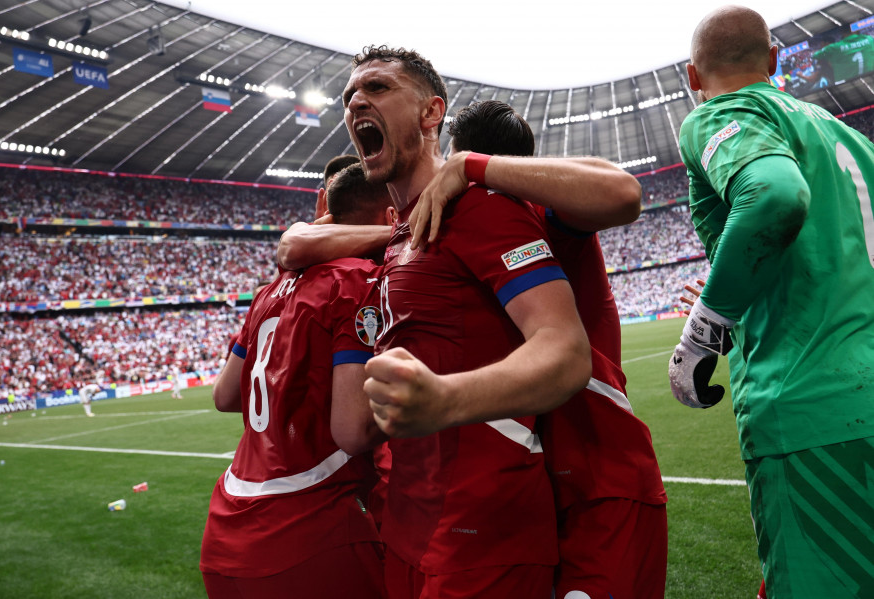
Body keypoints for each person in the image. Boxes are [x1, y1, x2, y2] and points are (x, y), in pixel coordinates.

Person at [343, 45, 591, 599]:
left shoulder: (481, 207)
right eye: (350, 95)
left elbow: (565, 349)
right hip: (407, 531)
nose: (357, 99)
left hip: (485, 541)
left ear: (432, 113)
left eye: (378, 88)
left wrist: (446, 399)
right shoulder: (401, 237)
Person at [414, 99, 667, 599]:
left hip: (599, 476)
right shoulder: (480, 224)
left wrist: (470, 166)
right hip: (534, 484)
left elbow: (622, 190)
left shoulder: (529, 211)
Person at [671, 6, 874, 597]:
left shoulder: (722, 113)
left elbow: (774, 196)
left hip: (816, 409)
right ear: (775, 60)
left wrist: (707, 325)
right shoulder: (851, 139)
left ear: (692, 78)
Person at [199, 163, 394, 598]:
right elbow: (351, 430)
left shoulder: (272, 289)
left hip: (226, 529)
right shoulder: (359, 281)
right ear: (391, 217)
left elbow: (225, 395)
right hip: (310, 527)